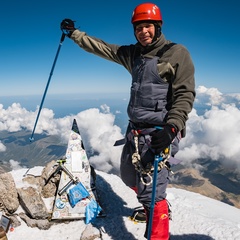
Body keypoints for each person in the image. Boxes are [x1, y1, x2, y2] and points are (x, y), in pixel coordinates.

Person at [61, 2, 195, 239]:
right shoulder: (134, 55)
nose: (144, 32)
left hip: (158, 133)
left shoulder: (176, 53)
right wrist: (74, 34)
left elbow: (185, 94)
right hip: (134, 133)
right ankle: (150, 205)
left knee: (152, 194)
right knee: (128, 176)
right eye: (139, 27)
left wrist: (172, 126)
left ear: (158, 26)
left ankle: (157, 223)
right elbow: (102, 48)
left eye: (148, 26)